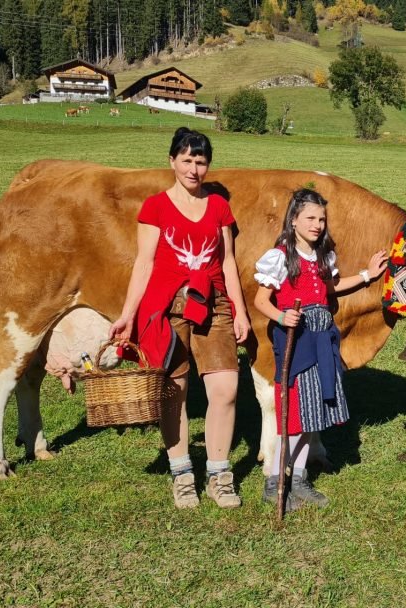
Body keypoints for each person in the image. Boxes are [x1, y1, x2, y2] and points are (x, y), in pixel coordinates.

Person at [109, 127, 251, 508]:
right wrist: (128, 315)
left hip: (213, 304)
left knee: (226, 389)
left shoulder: (219, 207)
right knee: (175, 391)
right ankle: (183, 474)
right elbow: (144, 263)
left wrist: (239, 311)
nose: (193, 169)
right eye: (186, 160)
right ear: (172, 161)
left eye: (200, 161)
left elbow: (227, 261)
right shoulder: (155, 207)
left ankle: (219, 475)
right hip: (168, 306)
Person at [251, 188, 387, 511]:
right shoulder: (280, 257)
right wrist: (281, 316)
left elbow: (330, 288)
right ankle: (274, 483)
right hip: (296, 339)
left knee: (311, 411)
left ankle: (298, 480)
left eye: (322, 219)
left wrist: (367, 275)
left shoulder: (322, 255)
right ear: (293, 220)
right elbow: (260, 300)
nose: (317, 225)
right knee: (294, 413)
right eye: (310, 218)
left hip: (322, 336)